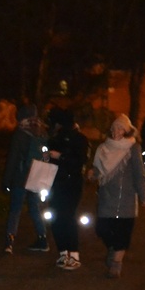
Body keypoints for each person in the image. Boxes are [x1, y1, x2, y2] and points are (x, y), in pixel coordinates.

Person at [90, 114, 145, 278]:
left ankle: (116, 263)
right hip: (106, 197)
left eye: (120, 128)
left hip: (126, 199)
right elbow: (98, 170)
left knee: (123, 233)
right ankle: (113, 248)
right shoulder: (103, 148)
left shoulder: (133, 148)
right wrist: (93, 174)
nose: (116, 131)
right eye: (114, 128)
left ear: (127, 131)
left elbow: (140, 174)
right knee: (102, 229)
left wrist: (144, 196)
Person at [44, 107, 89, 271]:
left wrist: (60, 156)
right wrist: (48, 157)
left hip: (70, 183)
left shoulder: (79, 139)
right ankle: (64, 253)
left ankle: (73, 254)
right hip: (58, 183)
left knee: (66, 217)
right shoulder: (56, 139)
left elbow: (80, 161)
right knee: (58, 217)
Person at [3, 98, 50, 254]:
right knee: (35, 208)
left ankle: (9, 241)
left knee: (15, 209)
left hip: (20, 176)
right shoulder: (42, 132)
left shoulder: (20, 133)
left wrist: (6, 180)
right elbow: (46, 155)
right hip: (37, 175)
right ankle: (43, 238)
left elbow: (13, 158)